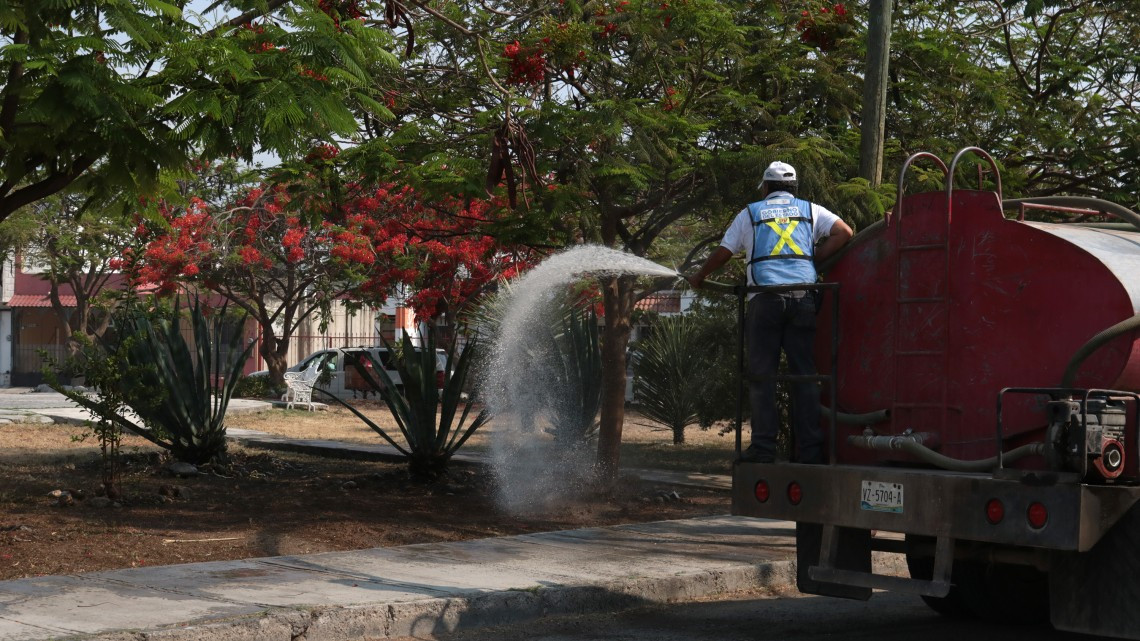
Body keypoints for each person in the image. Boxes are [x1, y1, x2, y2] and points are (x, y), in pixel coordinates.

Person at [688, 161, 852, 464]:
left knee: (763, 376)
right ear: (793, 188)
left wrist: (699, 276)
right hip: (804, 297)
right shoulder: (810, 209)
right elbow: (844, 232)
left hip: (765, 300)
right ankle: (811, 452)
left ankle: (764, 449)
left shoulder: (750, 213)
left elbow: (724, 252)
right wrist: (813, 260)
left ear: (765, 188)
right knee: (804, 375)